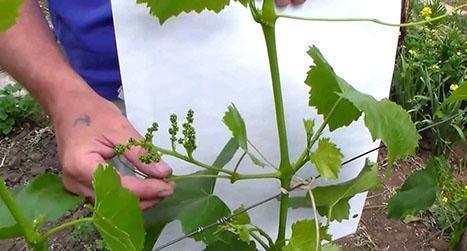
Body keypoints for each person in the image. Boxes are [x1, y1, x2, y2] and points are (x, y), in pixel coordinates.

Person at [0, 0, 305, 209]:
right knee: (170, 224)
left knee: (293, 197)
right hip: (113, 95)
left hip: (277, 44)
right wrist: (63, 95)